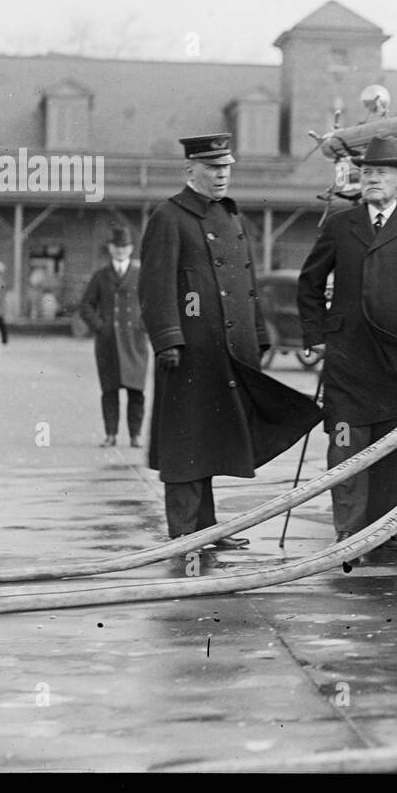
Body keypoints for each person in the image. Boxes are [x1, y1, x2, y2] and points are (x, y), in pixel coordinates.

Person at [139, 133, 322, 552]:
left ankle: (206, 527)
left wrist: (257, 336)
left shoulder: (231, 217)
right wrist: (167, 339)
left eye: (226, 168)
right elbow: (155, 286)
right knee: (186, 441)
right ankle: (184, 533)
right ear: (190, 169)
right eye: (212, 168)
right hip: (188, 352)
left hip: (229, 350)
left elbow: (248, 285)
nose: (222, 175)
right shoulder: (169, 217)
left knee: (211, 439)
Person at [298, 134, 397, 545]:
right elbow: (309, 283)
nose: (372, 179)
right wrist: (316, 335)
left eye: (382, 172)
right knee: (344, 445)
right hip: (348, 360)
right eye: (366, 172)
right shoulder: (340, 225)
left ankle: (382, 531)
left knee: (389, 449)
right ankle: (348, 530)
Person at [79, 225, 150, 447]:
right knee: (109, 391)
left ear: (131, 249)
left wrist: (143, 325)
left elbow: (153, 303)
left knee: (136, 391)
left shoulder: (141, 275)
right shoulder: (100, 276)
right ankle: (110, 434)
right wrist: (101, 327)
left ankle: (135, 435)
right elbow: (86, 306)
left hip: (135, 342)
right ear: (110, 248)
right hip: (108, 342)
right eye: (117, 246)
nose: (120, 250)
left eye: (125, 246)